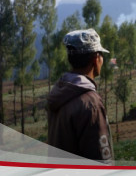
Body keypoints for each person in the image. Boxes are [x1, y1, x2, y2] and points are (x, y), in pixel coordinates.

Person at [47, 29, 114, 164]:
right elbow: (101, 158)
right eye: (101, 54)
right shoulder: (91, 104)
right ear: (96, 58)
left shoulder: (59, 94)